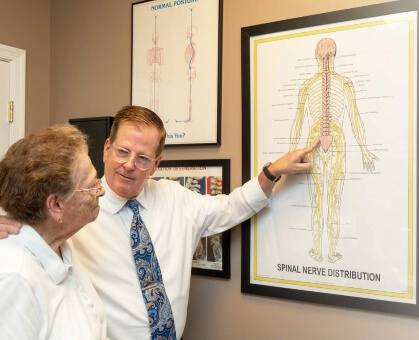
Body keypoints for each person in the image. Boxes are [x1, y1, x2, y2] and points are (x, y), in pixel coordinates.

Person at [0, 105, 319, 339]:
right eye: (122, 152)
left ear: (156, 163)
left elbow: (232, 206)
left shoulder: (177, 200)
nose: (128, 165)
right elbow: (31, 202)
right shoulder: (80, 211)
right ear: (108, 149)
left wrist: (272, 172)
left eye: (142, 158)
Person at [0, 125, 107, 338]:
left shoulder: (58, 246)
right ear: (56, 205)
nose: (101, 190)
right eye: (91, 186)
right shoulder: (14, 278)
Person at [288, 38, 378, 263]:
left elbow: (354, 117)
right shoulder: (326, 84)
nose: (326, 59)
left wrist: (365, 149)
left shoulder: (313, 85)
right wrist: (291, 153)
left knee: (323, 199)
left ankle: (322, 251)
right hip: (327, 139)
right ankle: (327, 252)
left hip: (326, 138)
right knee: (327, 199)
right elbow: (299, 120)